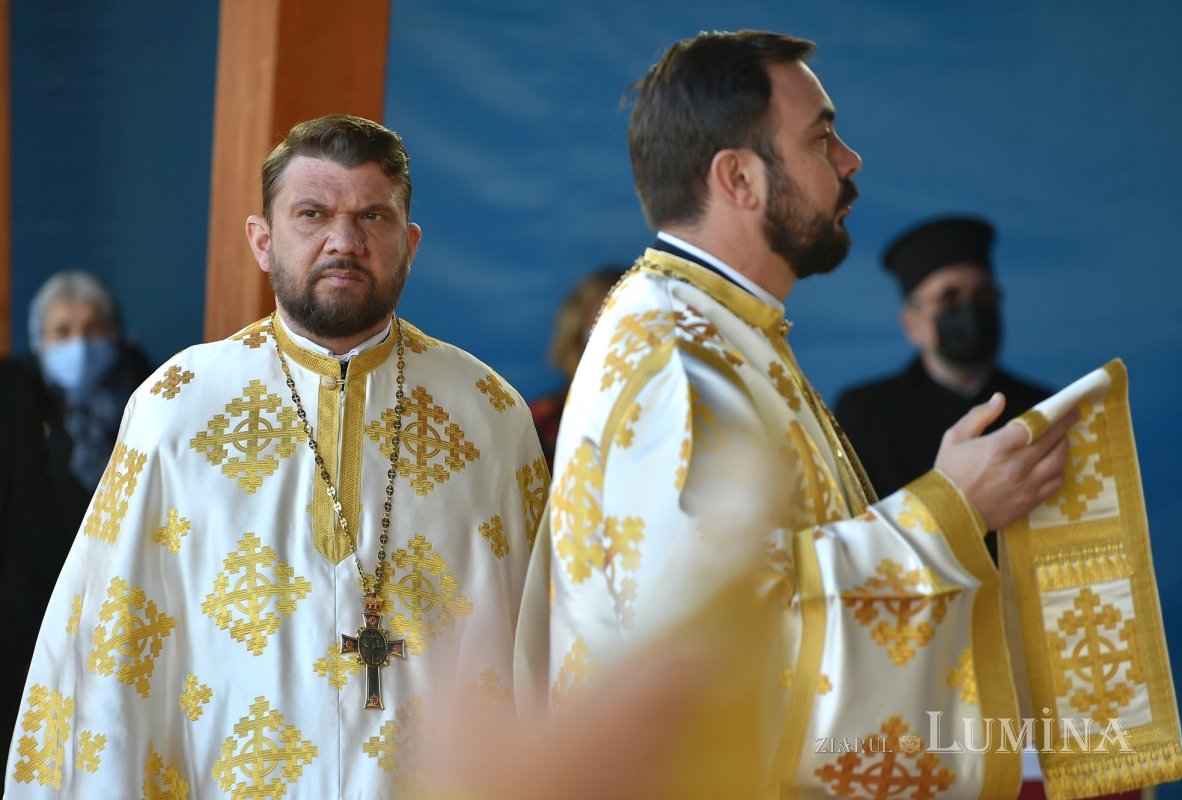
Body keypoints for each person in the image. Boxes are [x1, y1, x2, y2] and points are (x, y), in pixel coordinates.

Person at [515, 31, 1079, 797]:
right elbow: (718, 642)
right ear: (740, 177)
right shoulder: (679, 363)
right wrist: (950, 509)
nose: (850, 161)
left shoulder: (718, 331)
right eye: (822, 137)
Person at [4, 115, 547, 797]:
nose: (343, 241)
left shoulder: (489, 415)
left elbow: (541, 656)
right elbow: (105, 653)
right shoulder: (177, 408)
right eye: (312, 214)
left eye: (372, 217)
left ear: (408, 244)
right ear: (262, 242)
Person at [0, 271, 151, 763]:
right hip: (23, 613)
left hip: (121, 608)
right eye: (62, 332)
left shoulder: (151, 400)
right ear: (38, 340)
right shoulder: (13, 402)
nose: (79, 345)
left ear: (116, 334)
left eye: (93, 329)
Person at [834, 215, 1051, 498]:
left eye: (983, 295)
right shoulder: (865, 417)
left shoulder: (1043, 410)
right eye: (949, 298)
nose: (970, 310)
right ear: (912, 322)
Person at [527, 266, 623, 463]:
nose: (618, 350)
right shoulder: (536, 425)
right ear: (574, 337)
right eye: (599, 333)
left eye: (632, 337)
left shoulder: (675, 423)